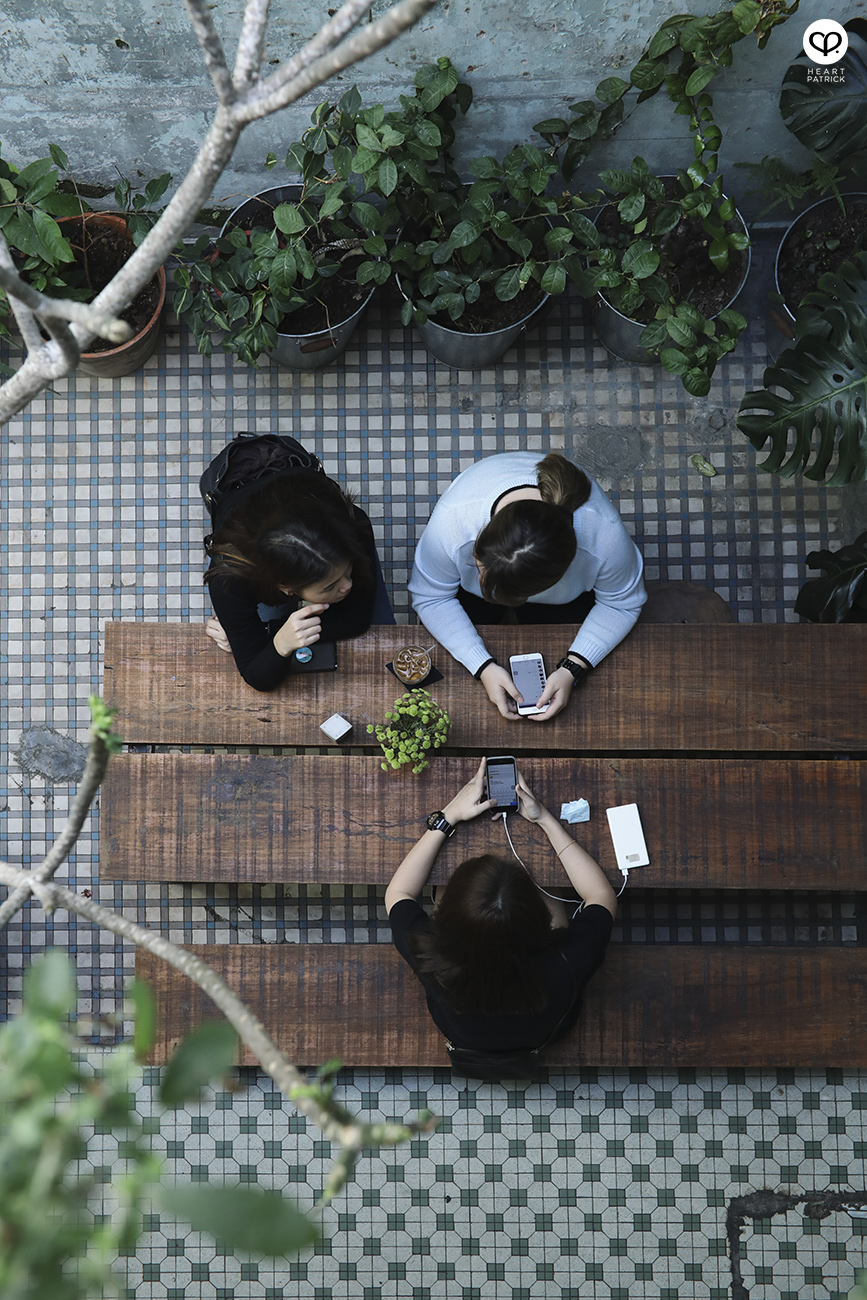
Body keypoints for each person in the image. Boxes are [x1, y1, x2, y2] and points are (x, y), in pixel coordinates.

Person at [386, 759, 617, 1059]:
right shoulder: (567, 961)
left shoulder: (431, 957)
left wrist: (449, 816)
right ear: (540, 919)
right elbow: (601, 895)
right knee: (555, 888)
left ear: (447, 917)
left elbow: (399, 892)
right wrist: (543, 818)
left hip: (463, 1033)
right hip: (545, 1034)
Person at [409, 450, 646, 721]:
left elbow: (622, 603)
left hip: (566, 598)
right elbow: (431, 597)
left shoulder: (605, 539)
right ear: (480, 543)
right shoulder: (452, 524)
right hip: (478, 591)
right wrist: (481, 666)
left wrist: (573, 668)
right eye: (478, 564)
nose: (479, 574)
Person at [204, 465, 394, 691]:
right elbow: (256, 676)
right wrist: (281, 643)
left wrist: (264, 633)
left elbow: (357, 620)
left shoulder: (353, 526)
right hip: (239, 515)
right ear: (286, 588)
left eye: (347, 570)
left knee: (384, 630)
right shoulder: (230, 581)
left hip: (298, 486)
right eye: (331, 586)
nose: (348, 585)